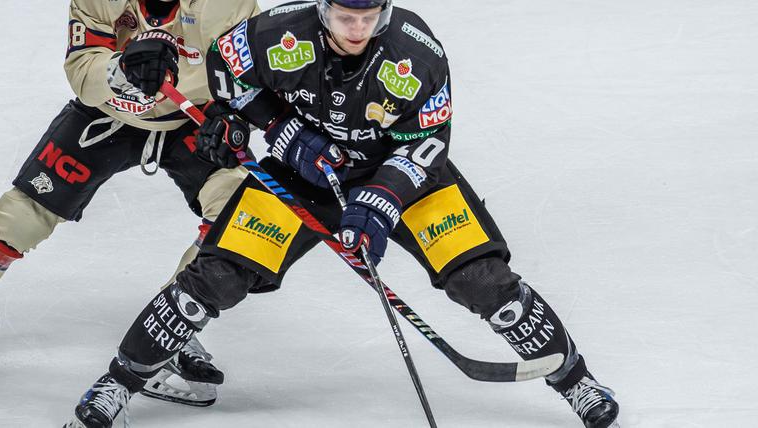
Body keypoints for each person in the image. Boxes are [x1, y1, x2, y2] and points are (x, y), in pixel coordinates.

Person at [72, 0, 622, 427]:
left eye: (368, 15)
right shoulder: (278, 34)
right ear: (322, 9)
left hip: (404, 178)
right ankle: (120, 381)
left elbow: (427, 144)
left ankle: (576, 380)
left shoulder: (418, 54)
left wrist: (378, 203)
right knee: (214, 276)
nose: (355, 28)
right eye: (342, 14)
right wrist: (281, 133)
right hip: (301, 178)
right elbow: (225, 71)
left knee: (482, 279)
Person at [0, 0, 261, 407]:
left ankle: (168, 331)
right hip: (109, 114)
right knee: (26, 211)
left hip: (193, 120)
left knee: (236, 220)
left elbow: (250, 80)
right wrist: (121, 67)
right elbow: (82, 75)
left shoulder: (229, 4)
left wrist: (232, 116)